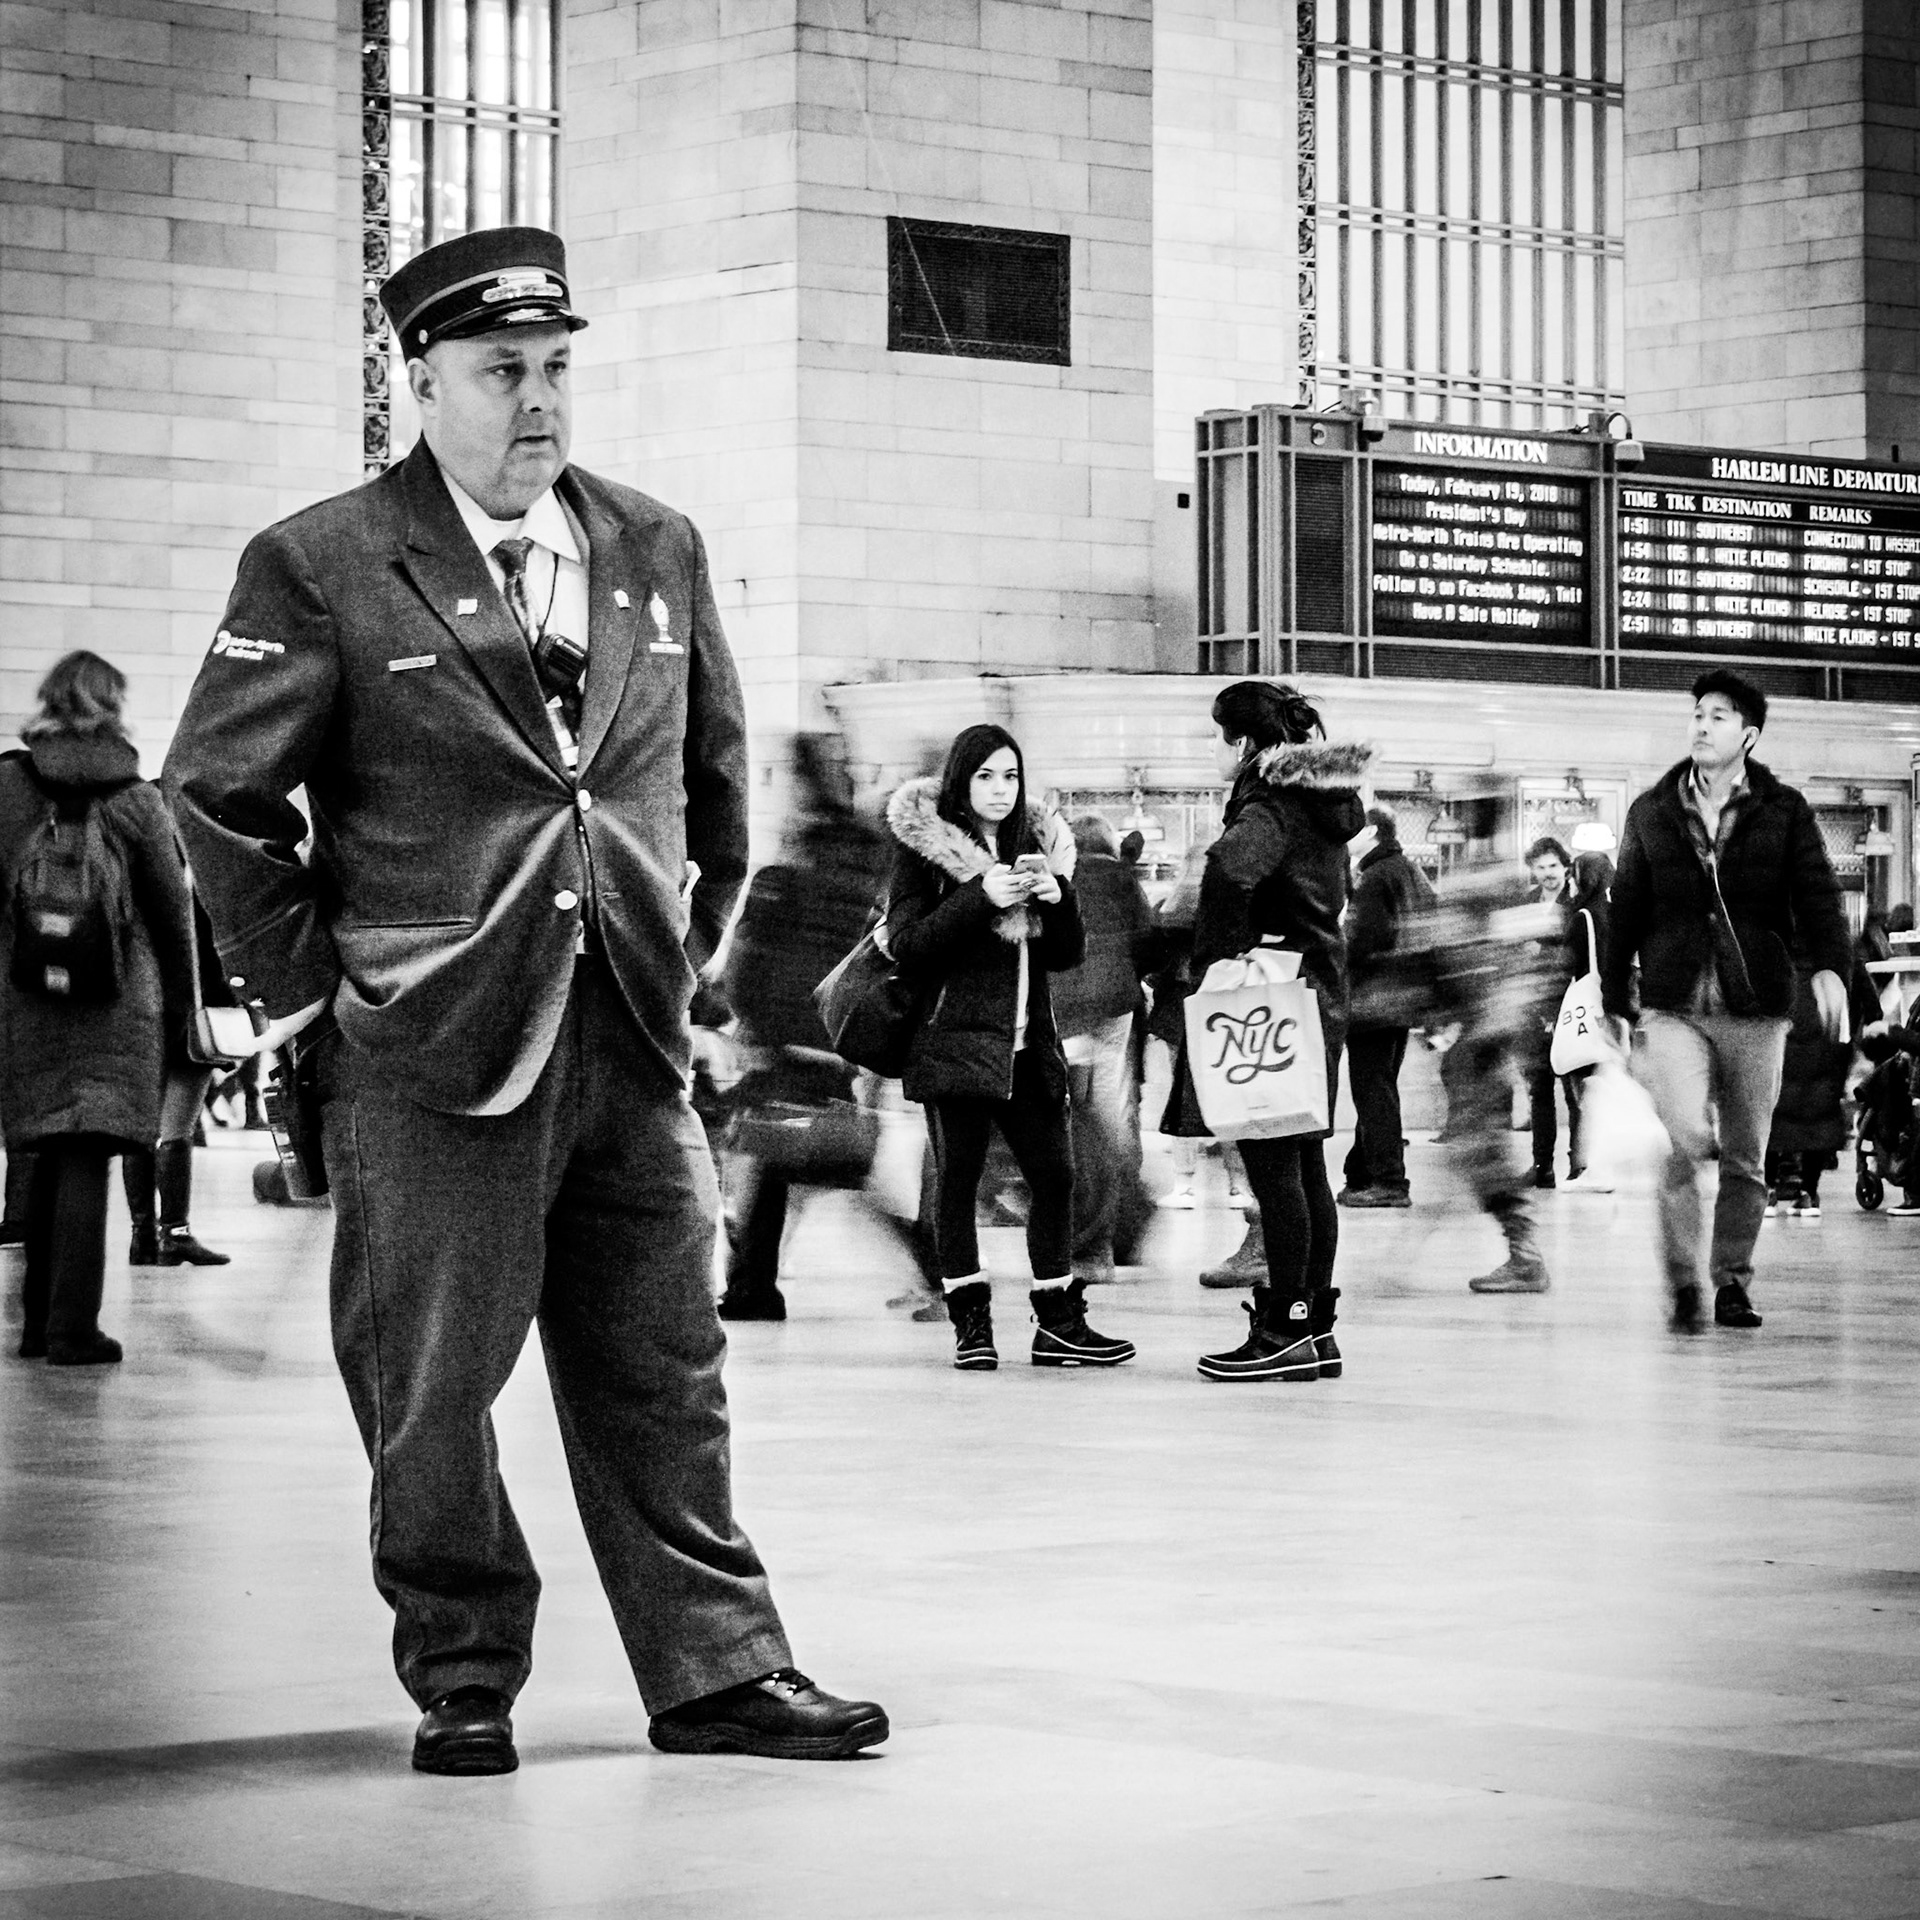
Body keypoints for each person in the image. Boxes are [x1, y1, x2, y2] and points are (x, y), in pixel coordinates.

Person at [163, 227, 884, 1774]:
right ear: (420, 381)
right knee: (431, 1392)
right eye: (503, 372)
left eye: (557, 369)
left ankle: (715, 1671)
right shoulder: (324, 560)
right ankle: (465, 1667)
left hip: (627, 1036)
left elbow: (710, 785)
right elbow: (215, 797)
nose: (539, 402)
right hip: (429, 1051)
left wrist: (687, 966)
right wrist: (316, 991)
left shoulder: (653, 548)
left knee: (667, 1371)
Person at [1603, 668, 1850, 1333]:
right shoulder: (1652, 809)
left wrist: (1833, 968)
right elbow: (1624, 906)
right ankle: (1681, 1280)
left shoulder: (1784, 810)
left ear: (1749, 734)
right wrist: (1612, 999)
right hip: (1674, 1001)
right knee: (1683, 1135)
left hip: (1757, 1005)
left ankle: (1731, 1282)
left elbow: (1818, 894)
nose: (1703, 725)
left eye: (1719, 715)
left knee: (1746, 1153)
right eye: (1698, 714)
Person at [885, 724, 1134, 1371]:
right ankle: (972, 1325)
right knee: (958, 1183)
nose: (1001, 790)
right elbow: (907, 943)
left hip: (1029, 1049)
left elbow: (1067, 954)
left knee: (1056, 1175)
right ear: (961, 782)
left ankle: (1058, 1323)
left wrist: (1060, 899)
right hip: (956, 1045)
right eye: (986, 777)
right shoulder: (926, 850)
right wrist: (977, 897)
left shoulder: (1037, 845)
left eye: (1011, 776)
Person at [1168, 681, 1370, 1382]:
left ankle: (1282, 1327)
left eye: (1216, 733)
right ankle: (1313, 1328)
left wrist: (1218, 956)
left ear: (1246, 742)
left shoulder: (1270, 800)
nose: (1211, 747)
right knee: (1307, 1164)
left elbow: (1230, 867)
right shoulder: (1322, 798)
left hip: (1272, 1000)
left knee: (1276, 1166)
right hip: (1319, 991)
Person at [1, 651, 195, 1365]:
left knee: (48, 1148)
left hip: (25, 999)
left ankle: (33, 1324)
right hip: (116, 1002)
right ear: (115, 707)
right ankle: (71, 1329)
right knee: (88, 1152)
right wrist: (185, 1005)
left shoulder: (8, 785)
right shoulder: (137, 798)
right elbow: (173, 914)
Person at [718, 731, 924, 1321]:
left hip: (786, 1040)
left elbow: (747, 970)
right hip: (835, 1040)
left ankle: (939, 1269)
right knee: (792, 1164)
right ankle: (752, 1286)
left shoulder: (782, 880)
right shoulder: (866, 874)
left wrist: (754, 1031)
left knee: (800, 1161)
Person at [1053, 812, 1153, 1283]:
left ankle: (1087, 1230)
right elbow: (1148, 940)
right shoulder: (1122, 876)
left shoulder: (1057, 873)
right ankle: (1123, 1226)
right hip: (1115, 1007)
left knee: (1071, 1115)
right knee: (1111, 1116)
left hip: (1063, 1005)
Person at [122, 898, 234, 1267]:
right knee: (175, 1129)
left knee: (141, 1131)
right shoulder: (197, 876)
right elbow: (215, 950)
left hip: (136, 1010)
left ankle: (142, 1236)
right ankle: (175, 1234)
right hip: (190, 1012)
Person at [1339, 802, 1432, 1208]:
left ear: (1372, 831)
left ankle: (1390, 1182)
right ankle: (1361, 1171)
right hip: (1401, 998)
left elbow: (1363, 939)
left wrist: (1336, 949)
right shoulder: (1408, 870)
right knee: (1380, 1087)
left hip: (1373, 1001)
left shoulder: (1376, 876)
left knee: (1372, 1090)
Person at [1764, 957, 1880, 1219]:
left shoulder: (1778, 936)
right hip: (1827, 1029)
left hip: (1781, 1030)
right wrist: (1872, 1017)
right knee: (1818, 1111)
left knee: (1774, 1110)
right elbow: (1861, 983)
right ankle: (1808, 1193)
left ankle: (1768, 1189)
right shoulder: (1832, 941)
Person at [1518, 836, 1581, 1188]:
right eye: (1540, 867)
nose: (1547, 873)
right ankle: (1542, 1165)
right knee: (1539, 1091)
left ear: (1565, 866)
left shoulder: (1576, 904)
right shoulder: (1526, 903)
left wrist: (1539, 949)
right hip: (1532, 1008)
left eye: (1553, 866)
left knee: (1574, 1092)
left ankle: (1578, 1164)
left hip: (1569, 1007)